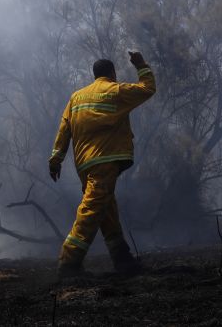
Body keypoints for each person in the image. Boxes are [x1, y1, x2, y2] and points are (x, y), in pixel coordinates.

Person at [49, 50, 156, 278]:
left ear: (94, 74)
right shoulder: (115, 90)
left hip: (84, 165)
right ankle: (69, 262)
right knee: (90, 210)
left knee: (105, 209)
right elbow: (148, 88)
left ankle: (123, 260)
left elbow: (64, 128)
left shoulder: (76, 97)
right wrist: (141, 64)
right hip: (105, 161)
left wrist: (56, 159)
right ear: (112, 73)